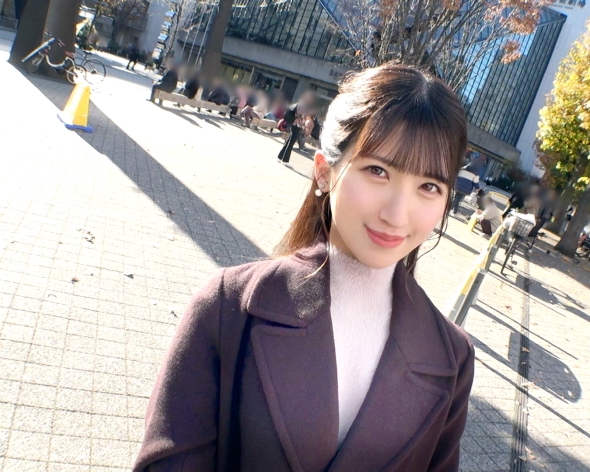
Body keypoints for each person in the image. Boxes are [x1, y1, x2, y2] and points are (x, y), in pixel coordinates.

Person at [133, 64, 474, 471]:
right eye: (377, 171)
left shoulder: (452, 357)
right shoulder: (229, 306)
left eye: (429, 187)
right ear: (325, 171)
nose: (397, 214)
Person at [277, 92, 315, 166]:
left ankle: (280, 157)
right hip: (296, 124)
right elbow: (300, 114)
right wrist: (307, 117)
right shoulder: (303, 104)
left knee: (289, 142)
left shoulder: (302, 103)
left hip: (296, 124)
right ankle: (285, 160)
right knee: (291, 143)